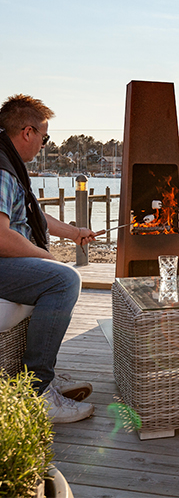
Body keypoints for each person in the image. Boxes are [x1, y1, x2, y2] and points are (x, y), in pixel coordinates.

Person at [0, 94, 96, 423]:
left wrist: (75, 232)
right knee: (63, 280)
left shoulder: (11, 165)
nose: (44, 144)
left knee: (56, 275)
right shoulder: (2, 170)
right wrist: (45, 257)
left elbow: (33, 216)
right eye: (45, 136)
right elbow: (1, 236)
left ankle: (45, 378)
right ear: (27, 132)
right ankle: (37, 391)